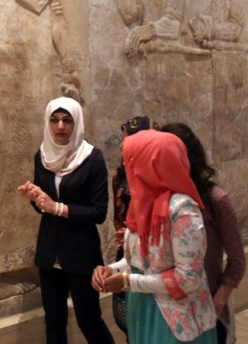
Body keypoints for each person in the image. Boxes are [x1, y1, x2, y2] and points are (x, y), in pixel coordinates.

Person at [92, 129, 217, 344]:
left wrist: (127, 282)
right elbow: (141, 261)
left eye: (131, 163)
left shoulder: (182, 210)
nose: (126, 170)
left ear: (150, 167)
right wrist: (113, 270)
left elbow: (188, 278)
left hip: (176, 318)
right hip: (144, 306)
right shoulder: (142, 206)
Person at [17, 97, 115, 344]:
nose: (60, 126)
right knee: (54, 321)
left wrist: (57, 207)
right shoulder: (42, 156)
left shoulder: (92, 158)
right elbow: (44, 209)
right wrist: (35, 198)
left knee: (89, 320)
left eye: (67, 120)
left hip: (81, 252)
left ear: (76, 122)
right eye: (55, 120)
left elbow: (98, 212)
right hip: (50, 252)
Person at [161, 123, 246, 344]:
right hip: (171, 307)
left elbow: (237, 260)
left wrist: (219, 300)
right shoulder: (161, 200)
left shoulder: (216, 199)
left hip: (207, 304)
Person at [110, 116, 160, 342]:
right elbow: (119, 215)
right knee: (125, 315)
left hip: (156, 255)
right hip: (129, 249)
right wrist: (125, 233)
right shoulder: (120, 174)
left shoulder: (161, 179)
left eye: (129, 139)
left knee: (150, 319)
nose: (123, 145)